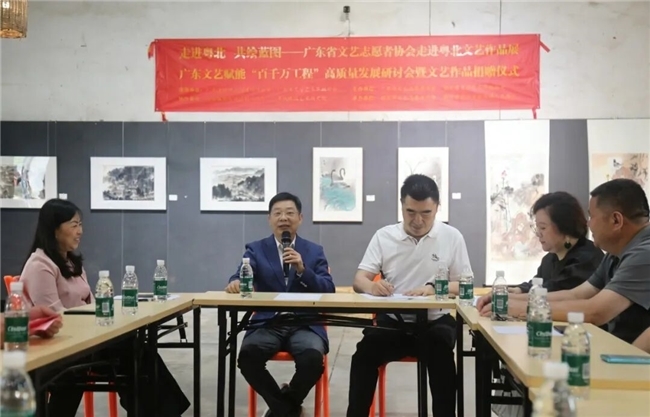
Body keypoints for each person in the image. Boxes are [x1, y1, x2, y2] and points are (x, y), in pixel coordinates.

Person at [19, 198, 190, 417]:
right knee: (133, 352)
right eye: (74, 225)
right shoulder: (40, 265)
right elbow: (55, 317)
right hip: (61, 348)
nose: (80, 231)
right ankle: (163, 412)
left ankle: (160, 412)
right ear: (54, 229)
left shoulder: (71, 263)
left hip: (84, 341)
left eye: (81, 225)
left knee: (137, 350)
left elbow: (93, 304)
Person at [346, 174, 472, 417]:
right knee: (363, 356)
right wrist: (373, 287)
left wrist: (436, 288)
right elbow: (359, 280)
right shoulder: (384, 236)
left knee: (443, 361)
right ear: (401, 205)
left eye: (426, 213)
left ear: (437, 207)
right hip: (393, 322)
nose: (417, 220)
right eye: (410, 212)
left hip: (435, 321)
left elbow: (465, 284)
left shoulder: (451, 237)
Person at [478, 179, 650, 344]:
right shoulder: (614, 254)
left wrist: (523, 308)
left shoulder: (643, 254)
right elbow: (575, 294)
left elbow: (596, 311)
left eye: (592, 216)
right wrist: (508, 300)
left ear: (616, 220)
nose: (588, 224)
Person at [225, 192, 335, 417]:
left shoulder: (314, 251)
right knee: (247, 358)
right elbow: (241, 274)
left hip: (304, 323)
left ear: (300, 218)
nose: (283, 218)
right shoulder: (256, 249)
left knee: (312, 360)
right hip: (268, 322)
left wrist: (303, 270)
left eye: (289, 213)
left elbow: (328, 289)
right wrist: (235, 282)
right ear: (269, 219)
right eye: (278, 213)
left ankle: (280, 409)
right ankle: (287, 410)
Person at [510, 191, 604, 294]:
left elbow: (554, 290)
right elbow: (538, 283)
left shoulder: (587, 259)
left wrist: (518, 296)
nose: (538, 234)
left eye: (543, 227)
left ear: (565, 227)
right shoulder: (549, 259)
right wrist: (519, 290)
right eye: (537, 227)